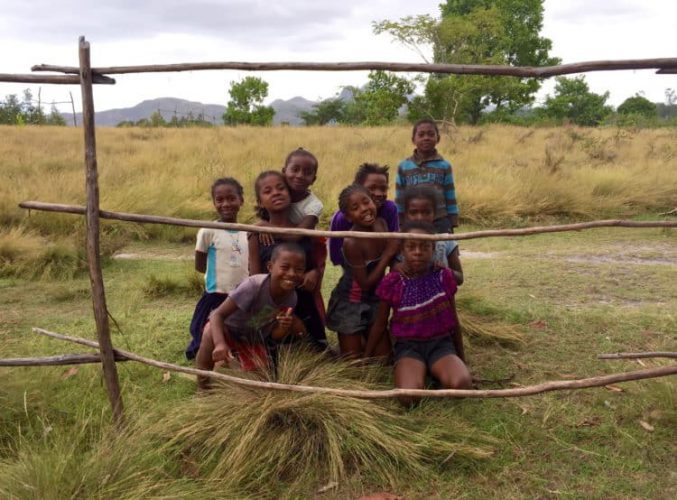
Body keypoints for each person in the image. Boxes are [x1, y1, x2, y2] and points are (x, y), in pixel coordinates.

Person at [365, 221, 471, 407]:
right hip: (409, 347)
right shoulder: (393, 282)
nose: (418, 252)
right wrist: (365, 359)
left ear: (433, 249)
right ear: (402, 251)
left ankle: (437, 369)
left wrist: (462, 360)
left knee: (461, 386)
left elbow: (453, 321)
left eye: (424, 247)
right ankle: (421, 371)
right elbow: (380, 324)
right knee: (408, 397)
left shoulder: (443, 276)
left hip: (441, 344)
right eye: (411, 247)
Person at [196, 243, 307, 389]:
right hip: (227, 329)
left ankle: (230, 362)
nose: (292, 274)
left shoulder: (291, 298)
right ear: (270, 267)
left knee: (259, 385)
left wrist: (282, 328)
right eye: (285, 267)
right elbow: (217, 315)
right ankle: (203, 387)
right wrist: (219, 343)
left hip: (251, 336)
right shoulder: (253, 286)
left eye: (299, 269)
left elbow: (272, 335)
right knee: (210, 332)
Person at [248, 170, 328, 352]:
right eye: (267, 191)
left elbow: (314, 264)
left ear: (289, 194)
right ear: (260, 201)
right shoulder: (256, 233)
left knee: (317, 349)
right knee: (255, 339)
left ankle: (309, 343)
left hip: (302, 299)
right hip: (269, 302)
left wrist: (315, 272)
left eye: (280, 188)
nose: (275, 193)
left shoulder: (302, 230)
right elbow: (254, 277)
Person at [326, 184, 399, 358]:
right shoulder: (352, 242)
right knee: (353, 363)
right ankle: (350, 342)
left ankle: (364, 338)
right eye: (355, 208)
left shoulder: (382, 224)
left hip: (375, 298)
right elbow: (364, 284)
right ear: (349, 217)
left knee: (384, 360)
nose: (364, 209)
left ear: (373, 201)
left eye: (366, 202)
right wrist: (388, 254)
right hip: (351, 301)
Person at [186, 177, 248, 360]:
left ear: (241, 201)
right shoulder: (208, 231)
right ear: (214, 203)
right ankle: (204, 352)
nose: (226, 204)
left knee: (236, 329)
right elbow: (200, 265)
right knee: (205, 329)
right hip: (216, 292)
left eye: (231, 198)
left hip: (240, 294)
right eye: (220, 200)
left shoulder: (248, 231)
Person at [395, 119, 459, 234]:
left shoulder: (444, 166)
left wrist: (452, 220)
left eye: (431, 134)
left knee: (442, 249)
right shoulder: (404, 166)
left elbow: (450, 194)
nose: (426, 138)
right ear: (413, 140)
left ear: (437, 138)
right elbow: (399, 197)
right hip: (413, 220)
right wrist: (400, 220)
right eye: (421, 135)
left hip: (440, 219)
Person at [329, 163, 399, 266]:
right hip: (353, 265)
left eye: (383, 189)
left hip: (380, 261)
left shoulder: (389, 209)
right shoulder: (342, 218)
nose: (379, 193)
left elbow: (394, 244)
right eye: (372, 188)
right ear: (358, 188)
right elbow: (338, 256)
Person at [401, 185, 463, 285]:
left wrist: (445, 271)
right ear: (406, 215)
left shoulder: (447, 241)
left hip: (441, 299)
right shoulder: (401, 240)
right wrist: (398, 267)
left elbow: (460, 279)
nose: (420, 217)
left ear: (434, 214)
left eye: (426, 212)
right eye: (413, 212)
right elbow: (394, 274)